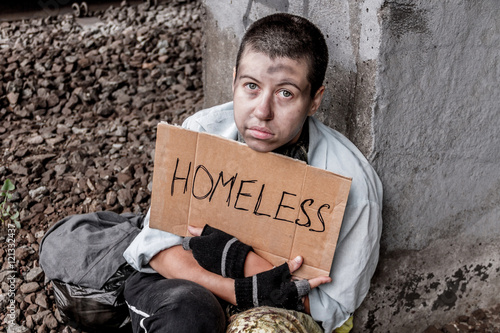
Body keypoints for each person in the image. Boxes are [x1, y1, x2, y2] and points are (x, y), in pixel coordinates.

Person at [123, 13, 382, 333]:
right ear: (233, 80)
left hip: (279, 314)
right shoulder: (202, 134)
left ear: (314, 100)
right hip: (189, 287)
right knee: (188, 315)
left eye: (286, 93)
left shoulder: (352, 183)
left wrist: (240, 261)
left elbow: (332, 306)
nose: (262, 112)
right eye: (251, 86)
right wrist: (241, 286)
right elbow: (157, 249)